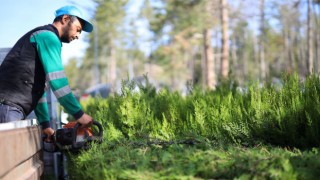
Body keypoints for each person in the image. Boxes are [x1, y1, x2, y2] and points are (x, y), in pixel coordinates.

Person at [0, 5, 94, 141]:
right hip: (8, 106)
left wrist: (45, 125)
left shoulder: (45, 37)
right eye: (78, 30)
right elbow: (58, 81)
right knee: (6, 159)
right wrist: (79, 114)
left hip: (10, 107)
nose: (78, 36)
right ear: (65, 19)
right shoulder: (48, 37)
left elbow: (38, 89)